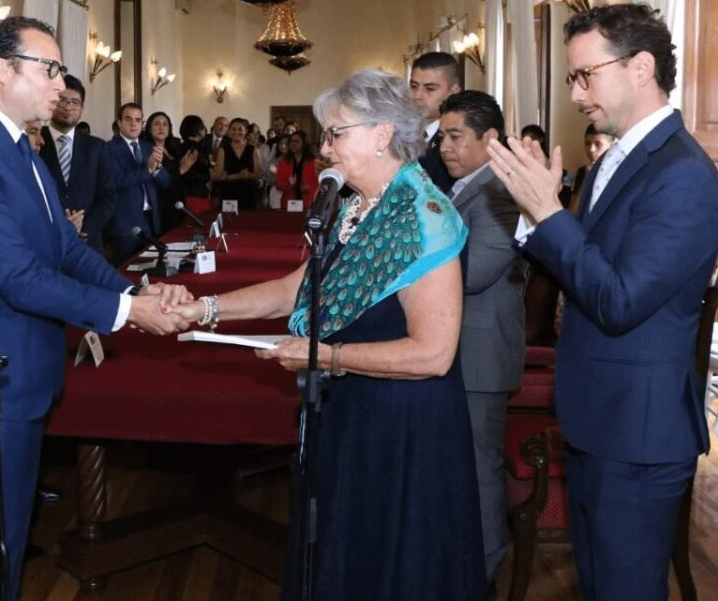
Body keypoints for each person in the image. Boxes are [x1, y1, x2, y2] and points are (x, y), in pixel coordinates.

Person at [171, 69, 484, 599]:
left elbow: (434, 354)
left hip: (401, 428)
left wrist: (326, 356)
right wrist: (204, 308)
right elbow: (298, 288)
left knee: (387, 562)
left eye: (336, 133)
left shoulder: (423, 216)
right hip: (351, 410)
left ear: (383, 134)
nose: (324, 148)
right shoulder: (356, 206)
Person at [0, 16, 190, 599]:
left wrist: (132, 293)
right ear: (2, 69)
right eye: (50, 70)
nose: (61, 85)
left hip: (20, 373)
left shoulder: (21, 149)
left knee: (10, 531)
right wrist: (126, 316)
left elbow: (65, 246)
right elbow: (16, 276)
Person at [487, 4, 718, 601]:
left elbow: (619, 301)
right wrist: (537, 219)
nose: (575, 94)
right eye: (572, 77)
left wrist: (548, 214)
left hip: (639, 434)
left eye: (585, 75)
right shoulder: (615, 162)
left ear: (640, 67)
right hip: (597, 420)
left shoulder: (682, 173)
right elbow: (584, 274)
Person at [439, 90, 527, 589]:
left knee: (478, 469)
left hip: (480, 353)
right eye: (442, 136)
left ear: (489, 137)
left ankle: (485, 570)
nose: (444, 147)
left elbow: (474, 273)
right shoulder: (465, 187)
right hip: (457, 346)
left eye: (455, 136)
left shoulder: (499, 192)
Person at [38, 74, 112, 252]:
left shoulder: (96, 147)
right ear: (51, 102)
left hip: (87, 243)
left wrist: (84, 228)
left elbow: (107, 196)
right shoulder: (35, 141)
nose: (68, 107)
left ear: (82, 108)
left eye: (75, 102)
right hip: (47, 241)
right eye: (62, 100)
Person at [102, 102, 172, 264]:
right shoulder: (108, 148)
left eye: (138, 120)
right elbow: (115, 182)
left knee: (151, 269)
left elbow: (166, 182)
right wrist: (147, 170)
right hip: (126, 223)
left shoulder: (148, 147)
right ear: (119, 123)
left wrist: (157, 168)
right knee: (127, 271)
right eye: (128, 119)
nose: (134, 124)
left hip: (151, 221)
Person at [409, 51, 462, 193]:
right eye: (414, 86)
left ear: (453, 92)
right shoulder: (402, 132)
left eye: (430, 88)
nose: (417, 96)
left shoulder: (458, 140)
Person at [141, 111, 184, 231]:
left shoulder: (174, 149)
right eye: (157, 124)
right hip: (161, 202)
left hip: (177, 199)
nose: (161, 127)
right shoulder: (146, 151)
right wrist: (181, 170)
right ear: (149, 129)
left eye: (165, 124)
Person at [212, 117, 261, 209]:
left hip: (248, 193)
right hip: (228, 193)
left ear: (246, 131)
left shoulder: (254, 150)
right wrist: (237, 176)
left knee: (248, 217)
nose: (236, 132)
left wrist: (249, 175)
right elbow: (218, 175)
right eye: (233, 129)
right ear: (229, 131)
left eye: (240, 129)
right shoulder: (223, 150)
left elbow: (258, 174)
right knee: (228, 218)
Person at [568, 123, 616, 212]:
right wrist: (586, 179)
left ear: (612, 145)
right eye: (587, 143)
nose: (591, 149)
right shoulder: (583, 171)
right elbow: (573, 212)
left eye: (598, 144)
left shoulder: (618, 172)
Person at [275, 130, 317, 208]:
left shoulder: (314, 162)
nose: (293, 144)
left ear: (304, 143)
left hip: (308, 203)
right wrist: (290, 185)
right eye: (291, 141)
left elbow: (319, 183)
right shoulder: (283, 163)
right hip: (288, 203)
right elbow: (278, 184)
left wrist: (308, 187)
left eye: (297, 141)